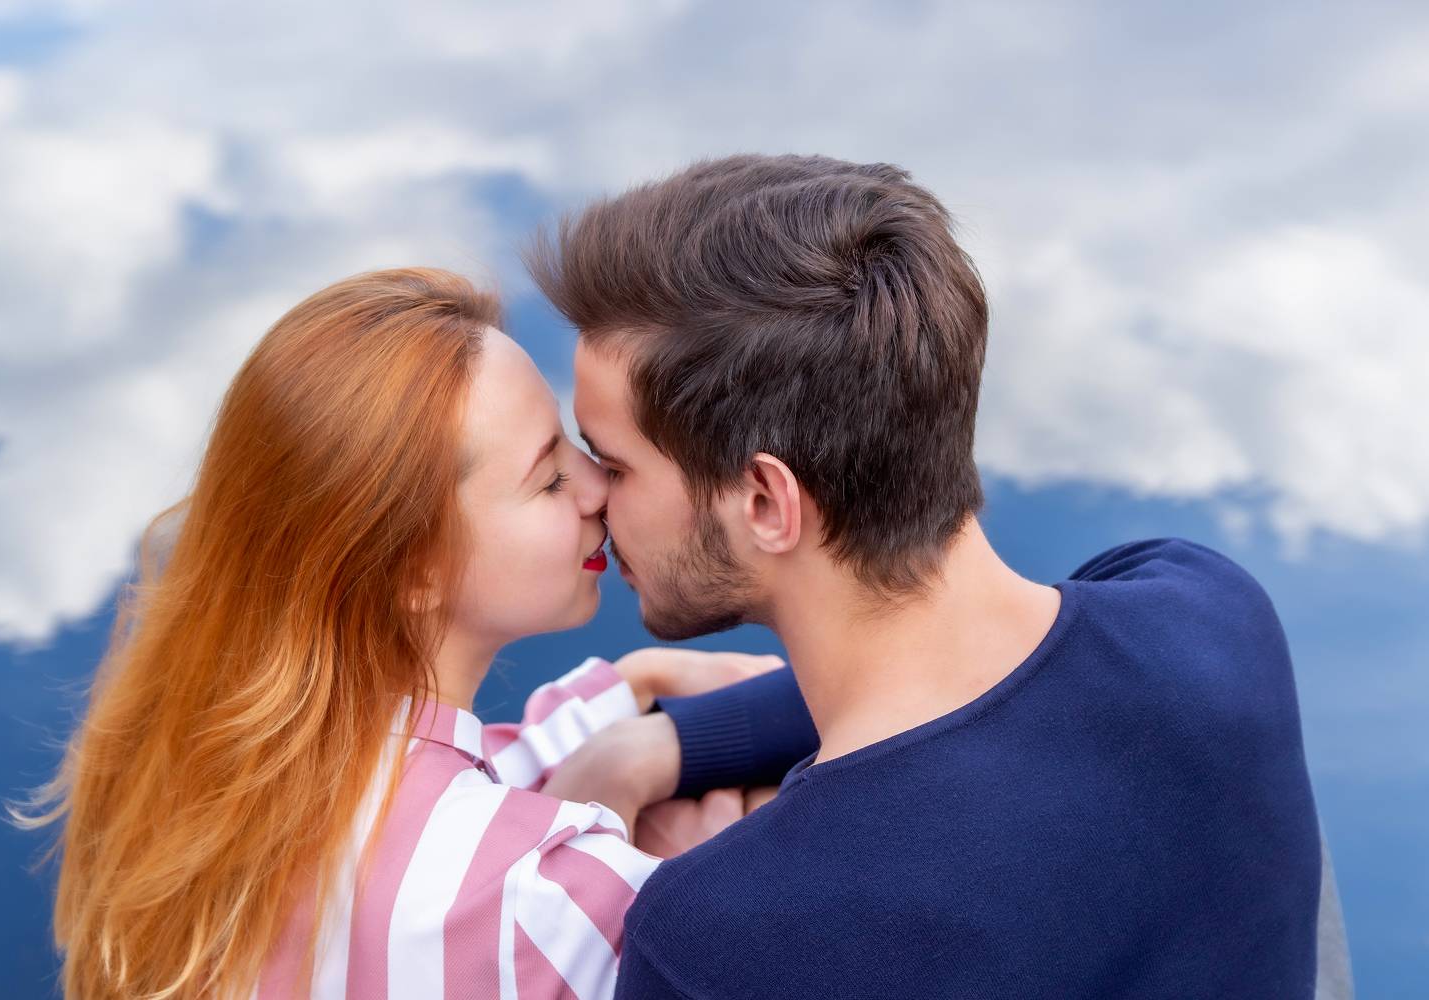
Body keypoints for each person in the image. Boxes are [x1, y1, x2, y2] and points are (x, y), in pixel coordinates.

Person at [528, 154, 1350, 998]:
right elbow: (998, 686)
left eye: (613, 463)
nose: (590, 495)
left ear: (767, 502)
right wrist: (659, 745)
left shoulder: (722, 938)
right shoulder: (1210, 619)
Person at [13, 268, 781, 1000]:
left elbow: (457, 799)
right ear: (410, 570)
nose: (595, 486)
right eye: (548, 478)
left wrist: (627, 726)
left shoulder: (210, 795)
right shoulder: (552, 904)